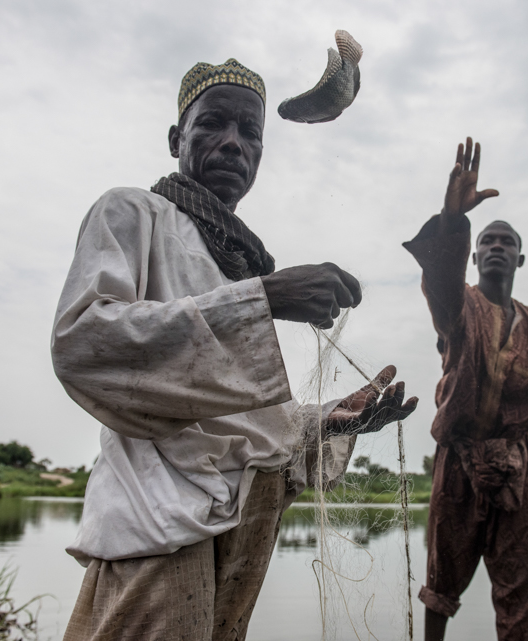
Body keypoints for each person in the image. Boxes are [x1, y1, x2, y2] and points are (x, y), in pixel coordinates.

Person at [51, 58, 418, 641]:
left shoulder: (240, 259)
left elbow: (237, 425)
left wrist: (327, 420)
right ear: (177, 139)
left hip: (246, 523)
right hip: (160, 526)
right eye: (212, 125)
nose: (232, 144)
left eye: (250, 133)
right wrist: (264, 298)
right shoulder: (131, 212)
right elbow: (84, 343)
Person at [403, 137, 528, 641]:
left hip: (515, 474)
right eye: (488, 243)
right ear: (474, 259)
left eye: (507, 243)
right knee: (442, 582)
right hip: (459, 464)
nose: (497, 247)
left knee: (518, 591)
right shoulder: (461, 307)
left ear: (520, 260)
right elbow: (441, 282)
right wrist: (453, 219)